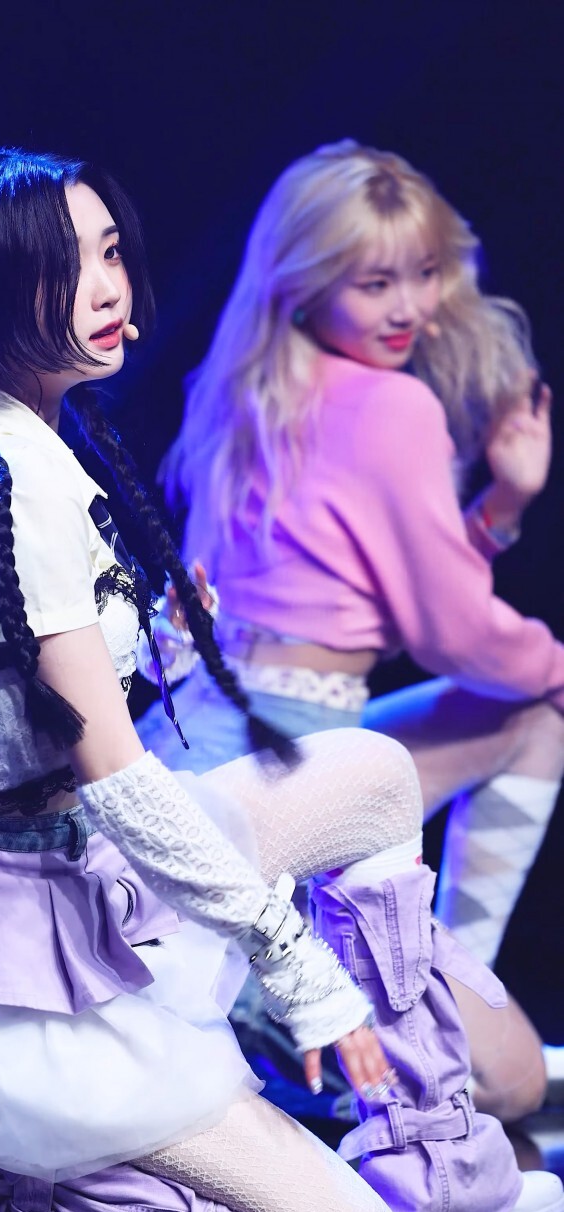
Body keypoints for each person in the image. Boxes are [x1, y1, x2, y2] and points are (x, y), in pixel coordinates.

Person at [0, 147, 563, 1212]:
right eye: (66, 265)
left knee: (375, 774)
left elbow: (18, 700)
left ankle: (426, 1153)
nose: (107, 286)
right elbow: (115, 781)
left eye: (109, 249)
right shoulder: (6, 493)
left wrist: (151, 633)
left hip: (98, 849)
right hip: (55, 927)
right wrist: (300, 966)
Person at [137, 139, 564, 1121]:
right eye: (375, 283)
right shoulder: (392, 405)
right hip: (299, 754)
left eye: (424, 273)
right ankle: (429, 1016)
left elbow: (373, 597)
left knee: (525, 712)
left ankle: (428, 998)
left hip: (203, 745)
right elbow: (452, 633)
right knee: (508, 1083)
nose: (409, 307)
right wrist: (554, 662)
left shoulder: (239, 388)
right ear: (307, 282)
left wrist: (497, 509)